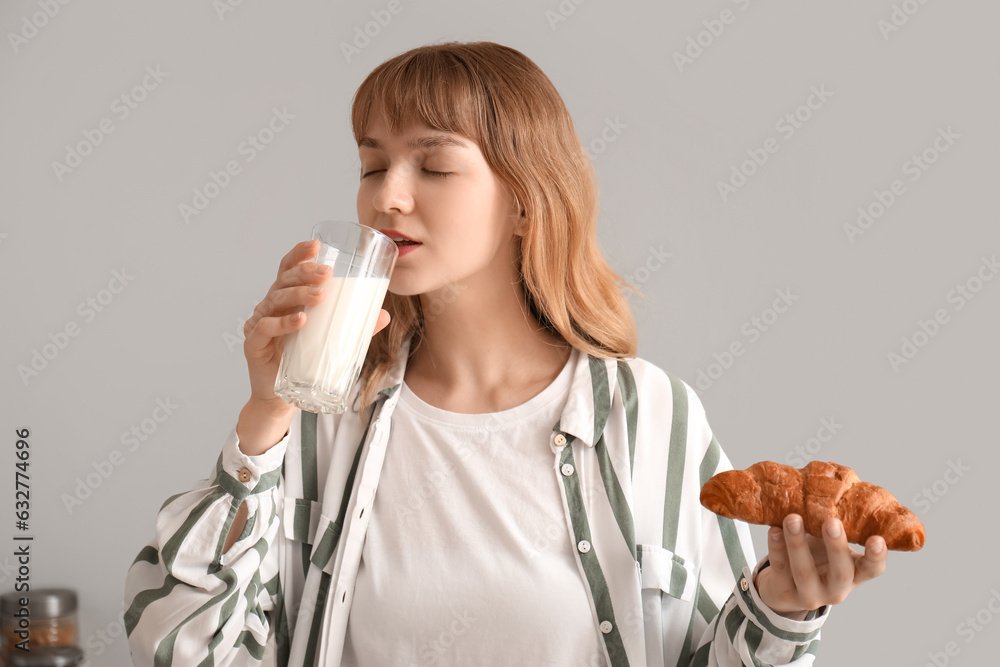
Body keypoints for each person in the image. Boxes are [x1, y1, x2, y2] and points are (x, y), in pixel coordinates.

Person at [124, 41, 887, 666]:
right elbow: (182, 649)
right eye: (370, 164)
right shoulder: (322, 423)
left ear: (524, 200)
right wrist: (266, 412)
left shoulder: (648, 415)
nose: (387, 195)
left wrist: (782, 608)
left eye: (434, 165)